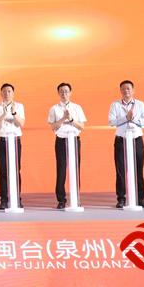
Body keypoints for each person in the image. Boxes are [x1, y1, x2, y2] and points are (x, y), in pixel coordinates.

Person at [107, 80, 144, 208]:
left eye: (128, 89)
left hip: (136, 139)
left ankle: (140, 198)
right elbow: (111, 122)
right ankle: (121, 198)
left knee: (139, 169)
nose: (126, 91)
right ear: (120, 91)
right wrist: (126, 118)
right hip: (121, 139)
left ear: (133, 90)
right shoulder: (115, 105)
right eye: (124, 89)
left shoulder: (140, 104)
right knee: (120, 170)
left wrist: (133, 118)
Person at [47, 82, 86, 210]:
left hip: (74, 140)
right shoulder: (54, 108)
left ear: (70, 93)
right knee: (61, 170)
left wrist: (71, 120)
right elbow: (53, 126)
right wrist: (63, 118)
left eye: (66, 91)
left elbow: (82, 126)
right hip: (61, 140)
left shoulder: (77, 107)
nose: (64, 94)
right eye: (61, 91)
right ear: (58, 93)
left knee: (75, 169)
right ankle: (61, 200)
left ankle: (76, 198)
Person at [0, 83, 25, 210]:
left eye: (9, 91)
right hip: (2, 141)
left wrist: (14, 113)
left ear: (13, 93)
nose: (6, 93)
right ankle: (4, 200)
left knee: (16, 170)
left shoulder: (19, 106)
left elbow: (21, 123)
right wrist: (3, 115)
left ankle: (17, 199)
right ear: (1, 93)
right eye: (4, 91)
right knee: (3, 171)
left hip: (15, 140)